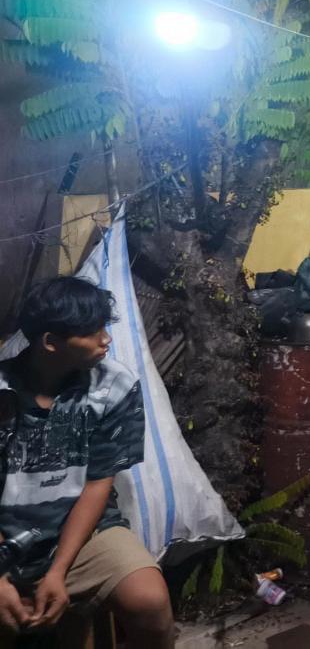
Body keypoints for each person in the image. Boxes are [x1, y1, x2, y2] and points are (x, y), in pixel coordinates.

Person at [0, 277, 173, 648]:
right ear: (51, 342)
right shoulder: (3, 393)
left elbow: (98, 483)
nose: (105, 339)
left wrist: (59, 570)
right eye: (92, 332)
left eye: (104, 327)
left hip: (83, 532)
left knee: (150, 602)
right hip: (6, 535)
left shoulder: (113, 385)